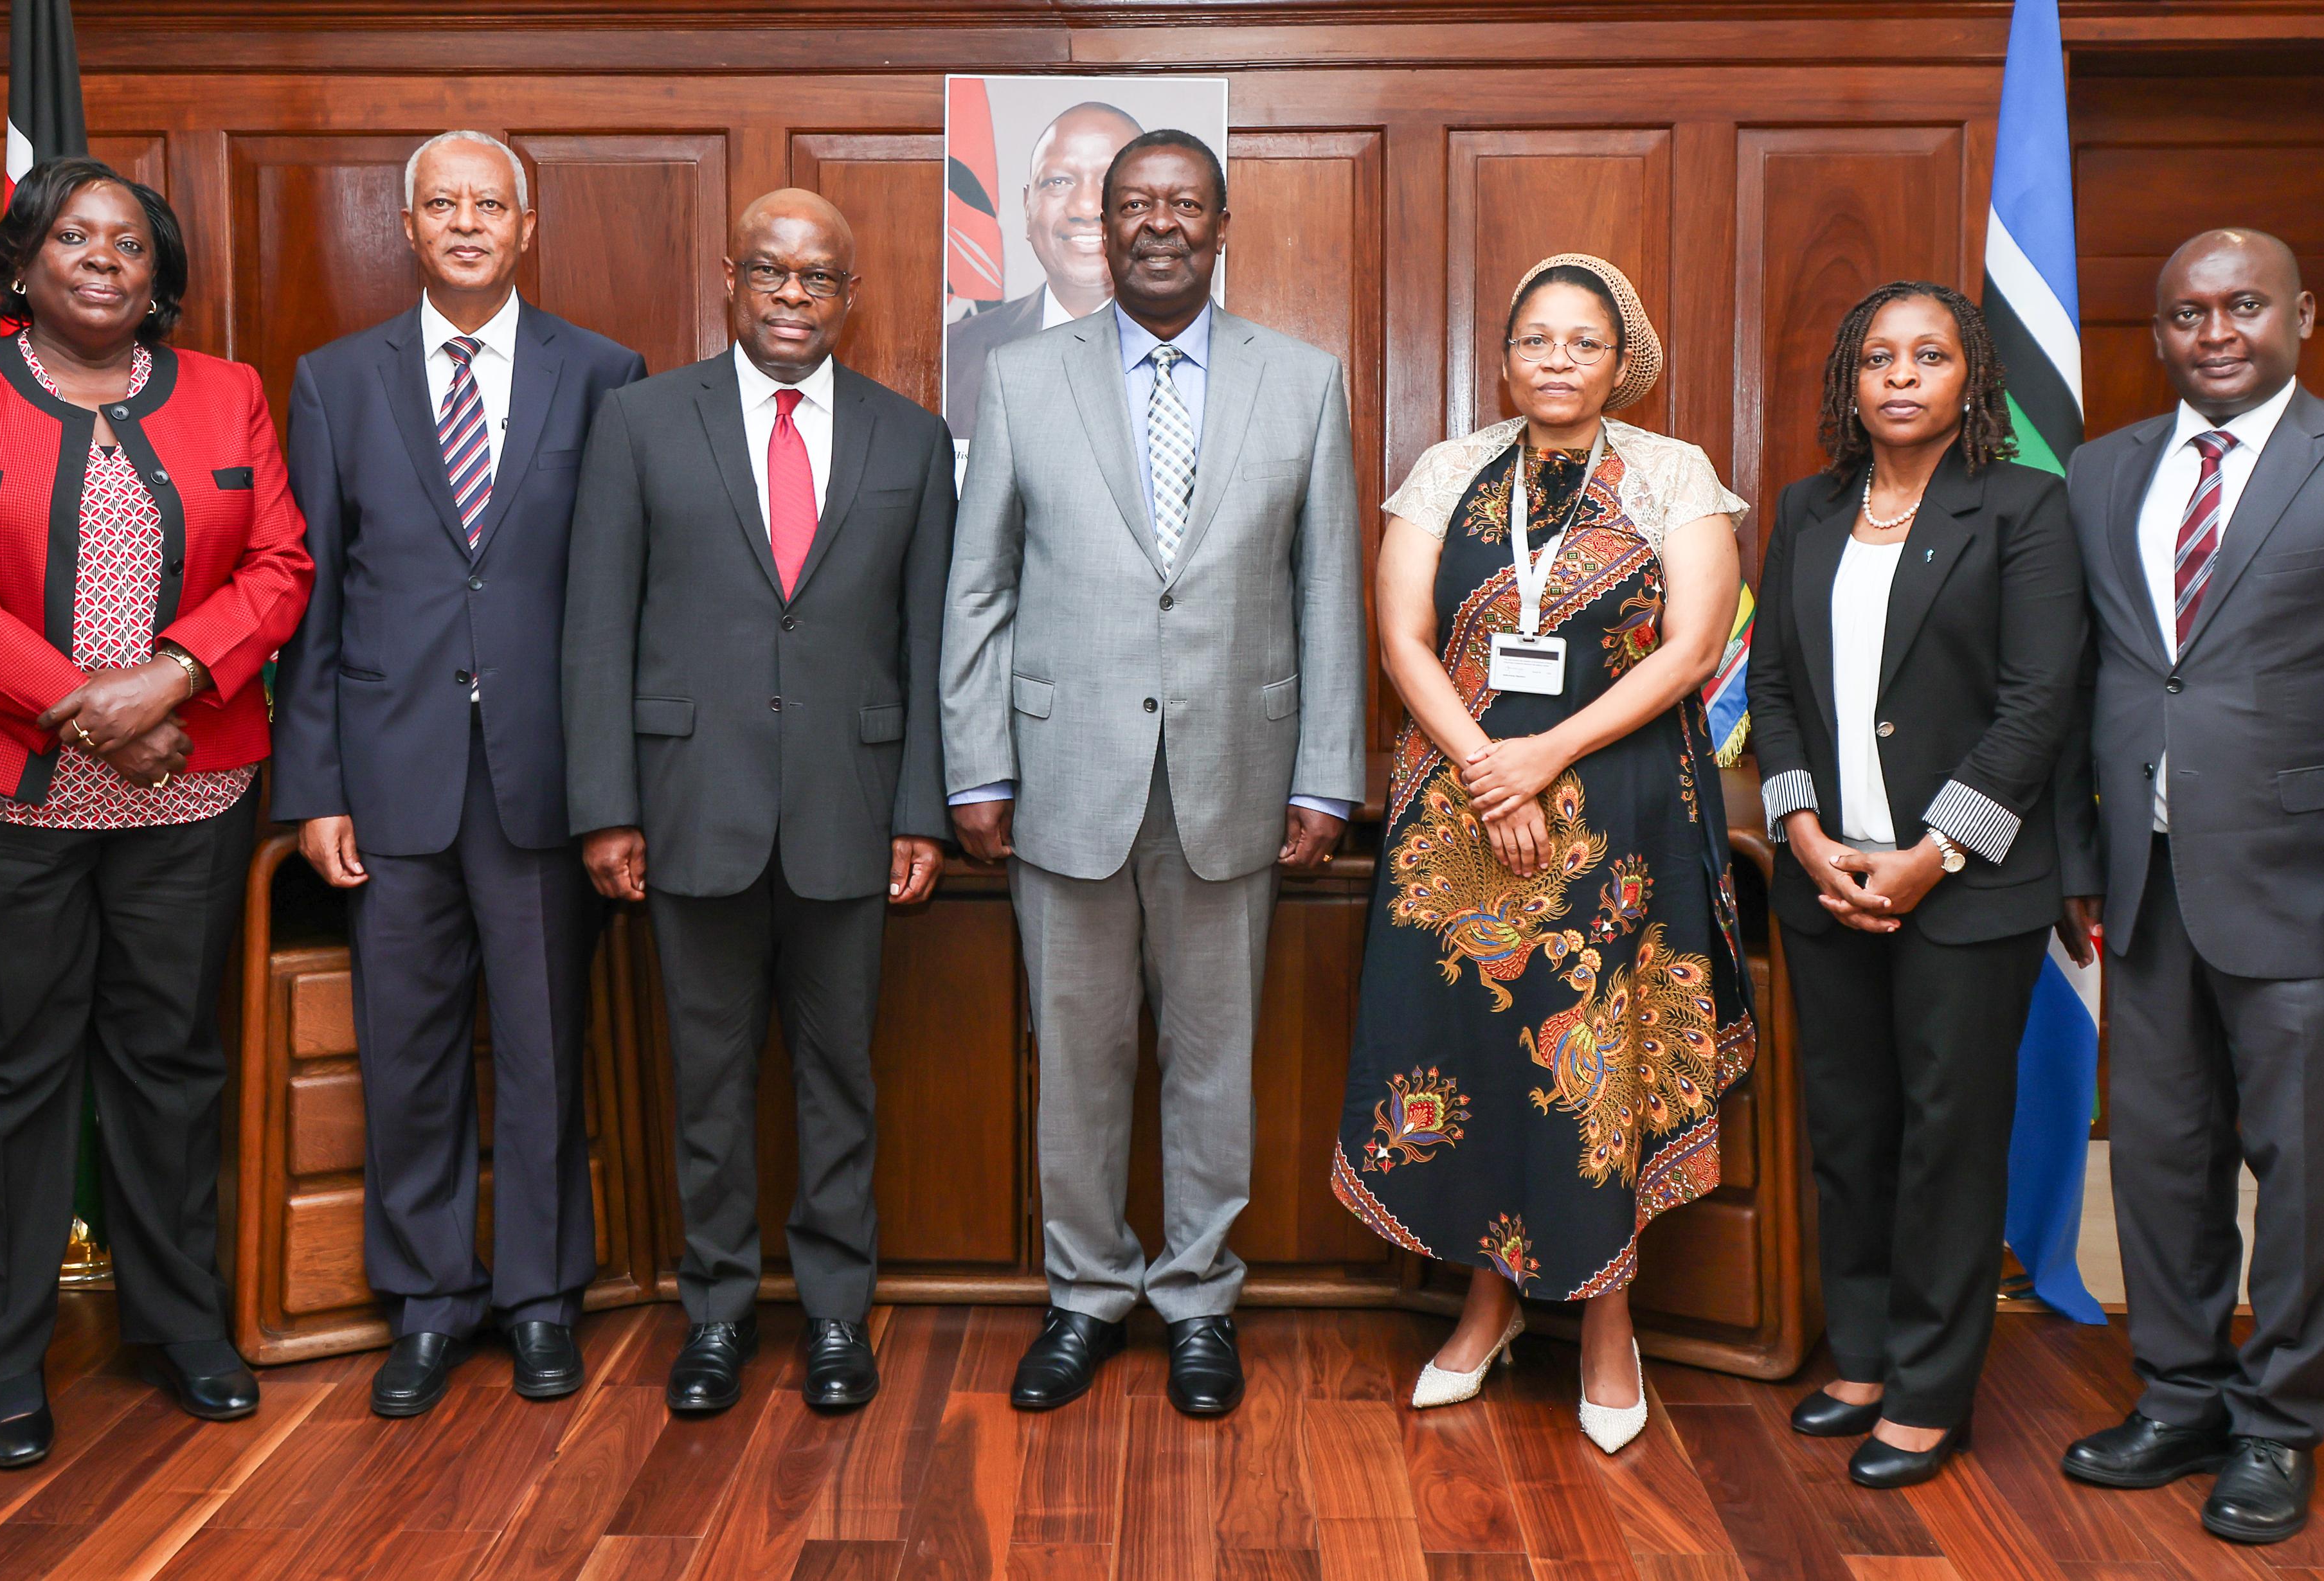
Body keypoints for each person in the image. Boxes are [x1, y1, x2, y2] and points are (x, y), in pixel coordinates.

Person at [2054, 229, 2324, 1543]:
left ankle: (2277, 1429)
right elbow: (2086, 684)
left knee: (2304, 1178)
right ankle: (2179, 1396)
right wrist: (2080, 860)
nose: (2214, 332)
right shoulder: (2099, 471)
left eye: (2242, 305)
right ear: (2158, 332)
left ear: (2300, 313)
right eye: (2185, 313)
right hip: (2141, 886)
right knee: (2158, 1165)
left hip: (2319, 897)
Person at [0, 157, 314, 1468]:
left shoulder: (226, 394)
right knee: (9, 1081)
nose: (104, 257)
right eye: (74, 236)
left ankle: (177, 1328)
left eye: (129, 241)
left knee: (172, 1065)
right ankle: (5, 1361)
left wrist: (174, 677)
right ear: (23, 264)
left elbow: (283, 564)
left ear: (159, 274)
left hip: (192, 791)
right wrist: (87, 707)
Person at [942, 128, 1365, 1418]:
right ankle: (1083, 1297)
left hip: (1234, 781)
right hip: (1061, 779)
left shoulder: (1299, 381)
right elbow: (980, 589)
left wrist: (1327, 777)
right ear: (1097, 228)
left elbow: (1324, 592)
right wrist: (974, 765)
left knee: (1210, 1062)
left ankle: (1196, 1303)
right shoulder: (1018, 380)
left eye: (1183, 203)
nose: (1158, 223)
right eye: (1134, 205)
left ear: (1220, 224)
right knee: (1075, 1060)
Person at [1331, 253, 1749, 1455]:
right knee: (1472, 1058)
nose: (1558, 361)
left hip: (1620, 813)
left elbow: (1691, 647)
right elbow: (1403, 635)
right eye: (1536, 340)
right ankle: (1488, 1304)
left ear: (1622, 364)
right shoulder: (1447, 471)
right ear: (1504, 356)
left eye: (1585, 343)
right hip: (1458, 817)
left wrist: (1544, 758)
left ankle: (1608, 1321)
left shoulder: (1675, 475)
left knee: (1599, 1066)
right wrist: (1485, 767)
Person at [269, 130, 646, 1418]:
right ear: (409, 225)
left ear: (525, 226)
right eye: (447, 205)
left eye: (492, 204)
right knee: (408, 1052)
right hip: (392, 780)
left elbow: (619, 602)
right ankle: (427, 1302)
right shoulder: (333, 381)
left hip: (546, 781)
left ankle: (540, 1300)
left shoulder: (601, 374)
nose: (470, 224)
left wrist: (615, 792)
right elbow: (310, 598)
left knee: (544, 1050)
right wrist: (315, 787)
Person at [564, 188, 955, 1416]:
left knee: (841, 1079)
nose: (794, 297)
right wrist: (605, 807)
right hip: (688, 810)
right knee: (709, 1078)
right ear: (730, 280)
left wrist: (922, 810)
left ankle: (839, 1316)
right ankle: (718, 1315)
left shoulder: (911, 437)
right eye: (772, 274)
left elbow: (929, 638)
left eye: (819, 279)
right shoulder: (637, 423)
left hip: (852, 806)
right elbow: (595, 630)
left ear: (851, 297)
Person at [1747, 281, 2085, 1486]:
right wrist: (1802, 834)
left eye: (1928, 356)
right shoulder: (1809, 507)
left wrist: (1932, 854)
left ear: (1968, 379)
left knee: (1949, 1137)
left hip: (1968, 888)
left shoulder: (2026, 509)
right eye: (1878, 358)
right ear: (1850, 382)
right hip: (1827, 877)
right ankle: (1865, 1351)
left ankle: (1933, 1390)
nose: (1899, 376)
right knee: (1850, 1125)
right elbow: (1773, 687)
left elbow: (2040, 704)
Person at [943, 101, 1142, 443]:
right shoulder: (954, 352)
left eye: (1114, 182)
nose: (1085, 207)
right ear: (1027, 207)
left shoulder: (1195, 353)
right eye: (1059, 181)